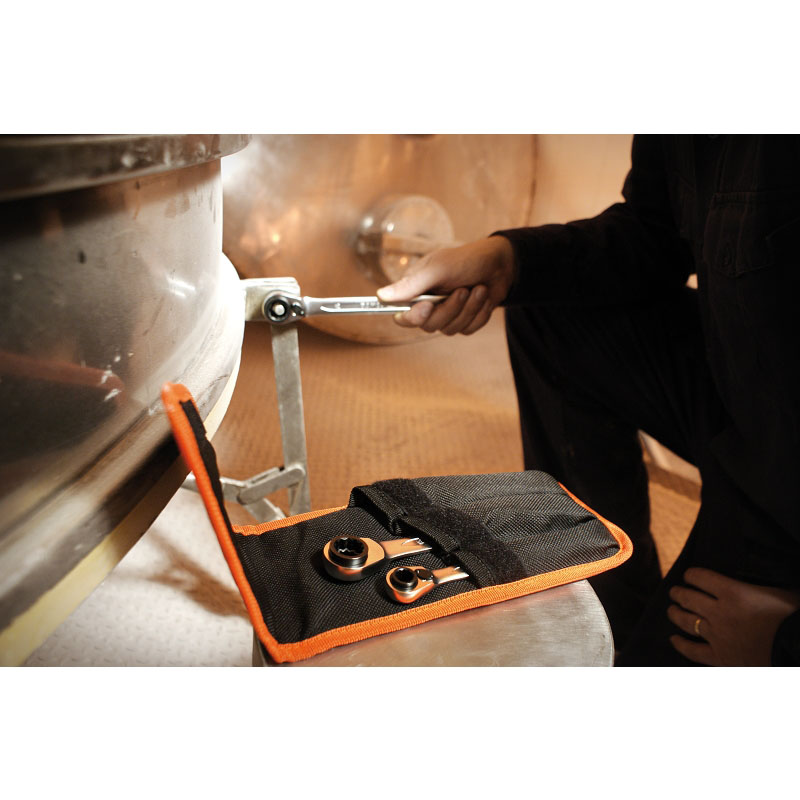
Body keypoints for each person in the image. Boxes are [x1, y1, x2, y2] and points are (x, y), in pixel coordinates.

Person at [376, 135, 800, 666]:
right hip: (749, 388)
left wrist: (782, 644)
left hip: (782, 480)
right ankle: (608, 600)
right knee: (550, 300)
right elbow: (654, 233)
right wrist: (509, 259)